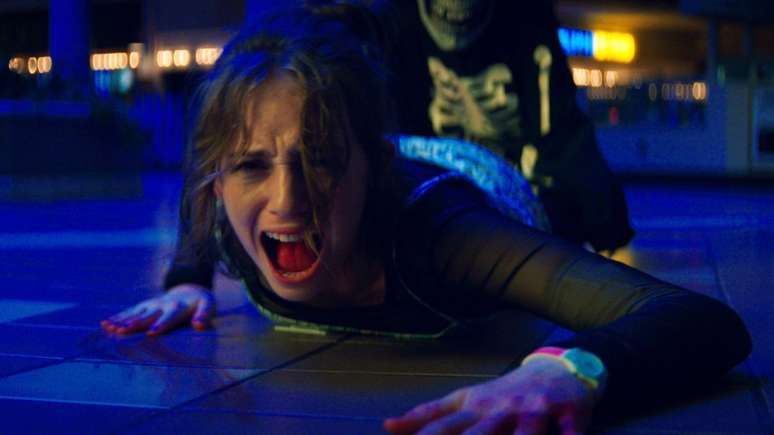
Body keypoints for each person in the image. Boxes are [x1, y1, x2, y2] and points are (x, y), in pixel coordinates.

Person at [101, 4, 751, 434]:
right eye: (251, 165)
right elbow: (200, 193)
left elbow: (702, 320)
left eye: (320, 159)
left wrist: (571, 368)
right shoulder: (228, 212)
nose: (287, 201)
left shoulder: (444, 236)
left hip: (479, 177)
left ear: (372, 167)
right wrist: (185, 279)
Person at [379, 0, 634, 254]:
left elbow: (561, 136)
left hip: (518, 208)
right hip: (437, 208)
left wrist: (601, 214)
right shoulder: (393, 27)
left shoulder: (528, 25)